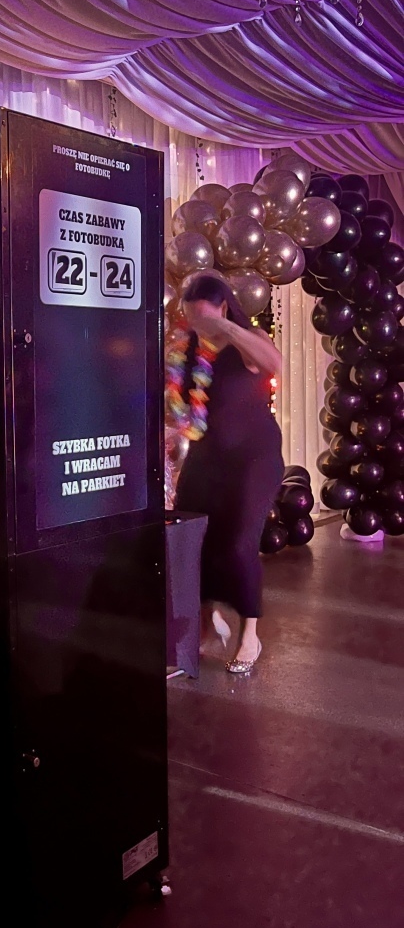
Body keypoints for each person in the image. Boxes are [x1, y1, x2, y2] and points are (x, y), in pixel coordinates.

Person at [171, 272, 283, 673]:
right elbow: (184, 409)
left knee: (239, 544)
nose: (197, 326)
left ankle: (249, 634)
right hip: (207, 456)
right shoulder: (186, 350)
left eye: (204, 317)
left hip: (254, 458)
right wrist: (173, 430)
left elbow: (274, 364)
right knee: (190, 539)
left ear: (222, 308)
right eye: (191, 318)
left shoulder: (248, 342)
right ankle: (206, 620)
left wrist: (228, 328)